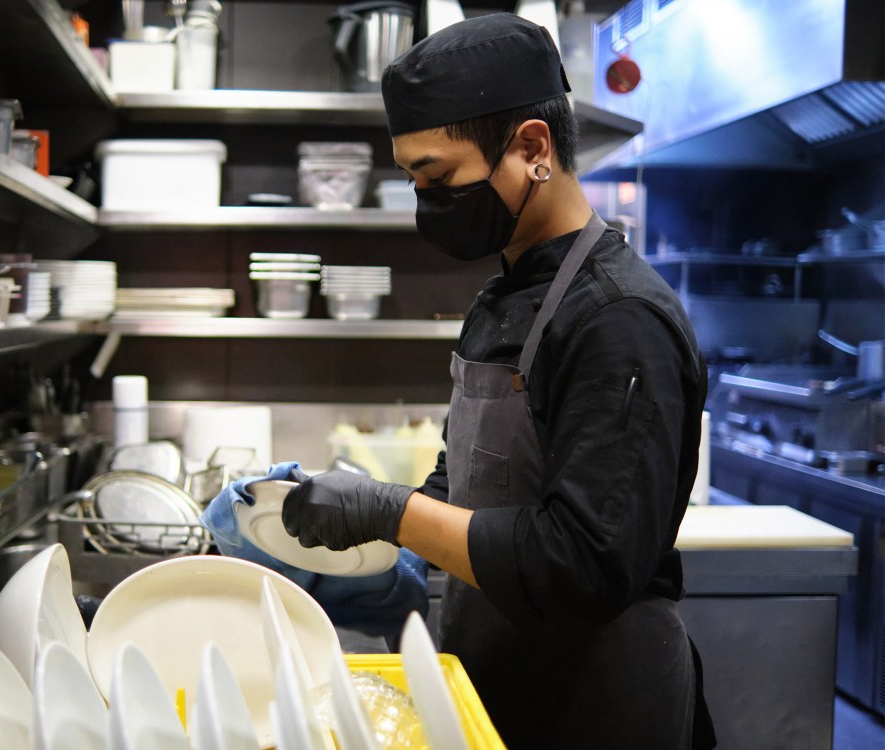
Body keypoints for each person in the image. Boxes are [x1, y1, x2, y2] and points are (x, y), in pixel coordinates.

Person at [282, 13, 716, 750]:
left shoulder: (619, 321)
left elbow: (583, 564)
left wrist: (386, 510)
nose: (426, 202)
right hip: (500, 676)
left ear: (532, 148)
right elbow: (468, 488)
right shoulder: (503, 299)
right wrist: (367, 549)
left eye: (438, 176)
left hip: (600, 700)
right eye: (413, 177)